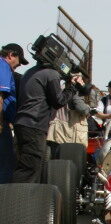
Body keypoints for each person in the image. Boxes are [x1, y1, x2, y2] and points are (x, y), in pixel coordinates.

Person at [13, 41, 83, 183]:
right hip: (34, 125)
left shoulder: (30, 72)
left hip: (23, 124)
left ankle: (18, 199)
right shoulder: (51, 74)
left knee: (24, 165)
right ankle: (19, 201)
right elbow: (58, 101)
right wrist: (73, 86)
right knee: (30, 168)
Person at [0, 43, 28, 183]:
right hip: (1, 123)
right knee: (6, 165)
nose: (18, 66)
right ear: (11, 55)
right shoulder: (3, 66)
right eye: (18, 62)